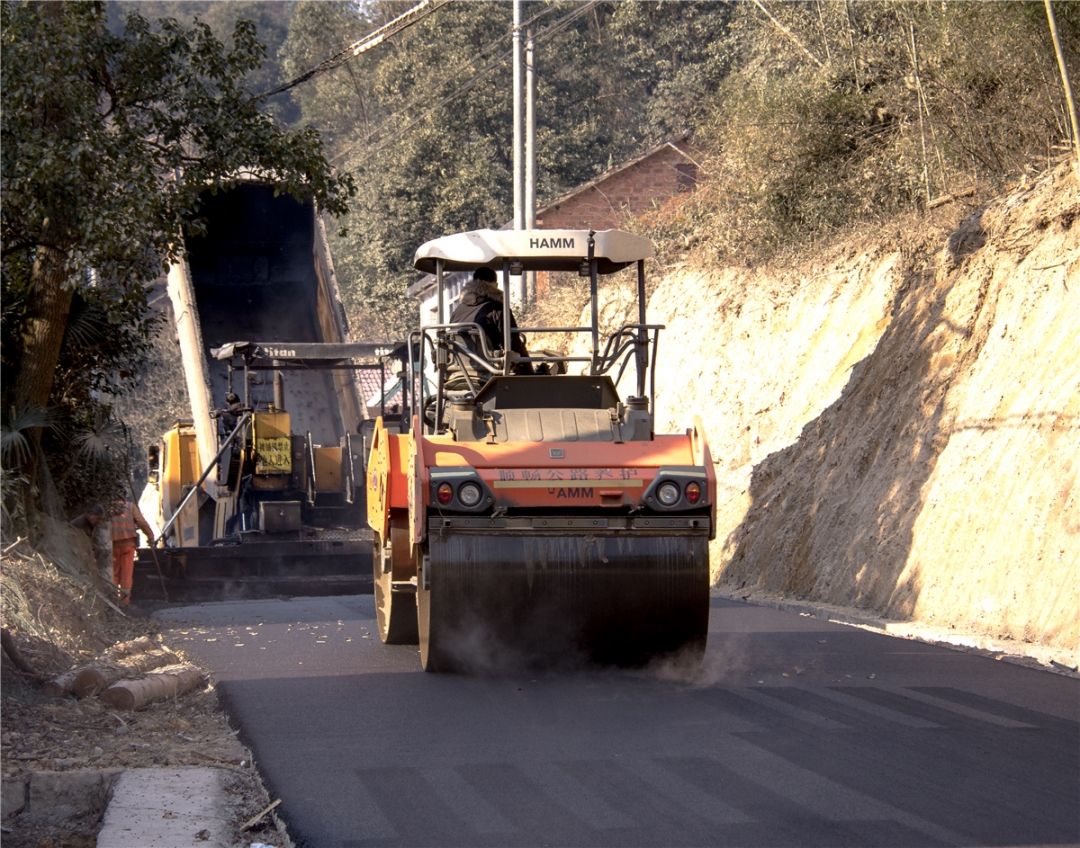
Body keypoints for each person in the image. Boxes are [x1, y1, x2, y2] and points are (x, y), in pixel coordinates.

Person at [449, 267, 531, 373]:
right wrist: (529, 370)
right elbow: (513, 341)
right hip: (489, 369)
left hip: (459, 369)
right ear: (495, 285)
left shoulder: (457, 311)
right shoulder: (498, 309)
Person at [110, 498, 154, 605]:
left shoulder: (108, 508)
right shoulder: (130, 506)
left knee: (113, 573)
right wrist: (150, 537)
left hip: (113, 545)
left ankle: (112, 599)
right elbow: (141, 522)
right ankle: (125, 601)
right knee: (126, 574)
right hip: (128, 545)